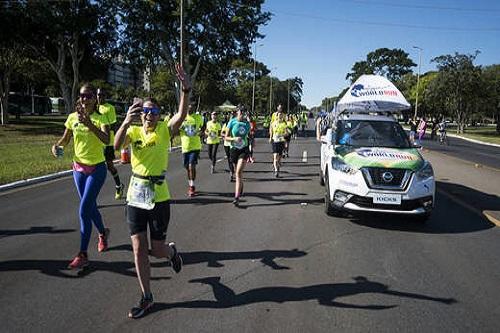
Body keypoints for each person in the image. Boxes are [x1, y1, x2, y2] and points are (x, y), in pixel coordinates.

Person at [114, 63, 190, 319]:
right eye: (146, 111)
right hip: (135, 195)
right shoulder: (133, 130)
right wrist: (125, 121)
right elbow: (115, 145)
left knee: (156, 250)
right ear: (140, 113)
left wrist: (186, 91)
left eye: (154, 111)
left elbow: (180, 115)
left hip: (159, 196)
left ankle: (171, 252)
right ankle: (147, 296)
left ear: (159, 114)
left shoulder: (165, 131)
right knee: (137, 248)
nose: (150, 115)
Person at [51, 84, 111, 270]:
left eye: (88, 96)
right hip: (78, 169)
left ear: (94, 98)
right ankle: (103, 232)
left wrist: (90, 124)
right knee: (90, 206)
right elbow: (66, 138)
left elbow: (106, 139)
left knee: (84, 209)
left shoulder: (102, 118)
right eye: (81, 96)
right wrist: (57, 146)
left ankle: (83, 253)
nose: (84, 99)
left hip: (97, 169)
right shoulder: (72, 118)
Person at [97, 88, 124, 200]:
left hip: (108, 142)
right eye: (98, 95)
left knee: (110, 166)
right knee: (96, 169)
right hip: (96, 143)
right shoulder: (94, 107)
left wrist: (102, 127)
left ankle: (118, 185)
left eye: (102, 95)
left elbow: (113, 125)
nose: (100, 97)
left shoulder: (110, 108)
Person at [226, 106, 251, 205]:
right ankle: (241, 185)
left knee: (238, 172)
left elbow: (249, 136)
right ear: (237, 112)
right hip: (234, 149)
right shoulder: (232, 122)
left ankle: (236, 197)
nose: (243, 114)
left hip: (243, 149)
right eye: (241, 112)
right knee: (237, 173)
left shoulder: (246, 123)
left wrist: (251, 148)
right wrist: (234, 139)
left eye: (244, 112)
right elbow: (225, 137)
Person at [179, 103, 204, 197]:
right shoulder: (181, 117)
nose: (190, 107)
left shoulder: (198, 117)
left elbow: (203, 127)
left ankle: (192, 187)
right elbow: (175, 130)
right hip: (185, 147)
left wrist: (201, 132)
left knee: (191, 166)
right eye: (188, 106)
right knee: (187, 167)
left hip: (196, 146)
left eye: (192, 106)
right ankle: (190, 182)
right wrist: (179, 128)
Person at [269, 110, 290, 178]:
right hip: (275, 141)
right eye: (279, 115)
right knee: (275, 156)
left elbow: (287, 133)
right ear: (276, 116)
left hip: (281, 141)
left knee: (279, 158)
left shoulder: (284, 124)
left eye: (281, 115)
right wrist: (270, 137)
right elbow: (271, 130)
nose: (280, 116)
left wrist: (283, 135)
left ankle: (278, 168)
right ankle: (276, 170)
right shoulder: (273, 123)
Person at [221, 112, 236, 182]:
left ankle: (235, 171)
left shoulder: (236, 124)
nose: (232, 118)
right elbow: (222, 133)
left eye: (233, 117)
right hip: (226, 144)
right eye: (231, 117)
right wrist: (225, 136)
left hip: (234, 144)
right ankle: (231, 172)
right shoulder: (226, 124)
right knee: (229, 159)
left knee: (233, 159)